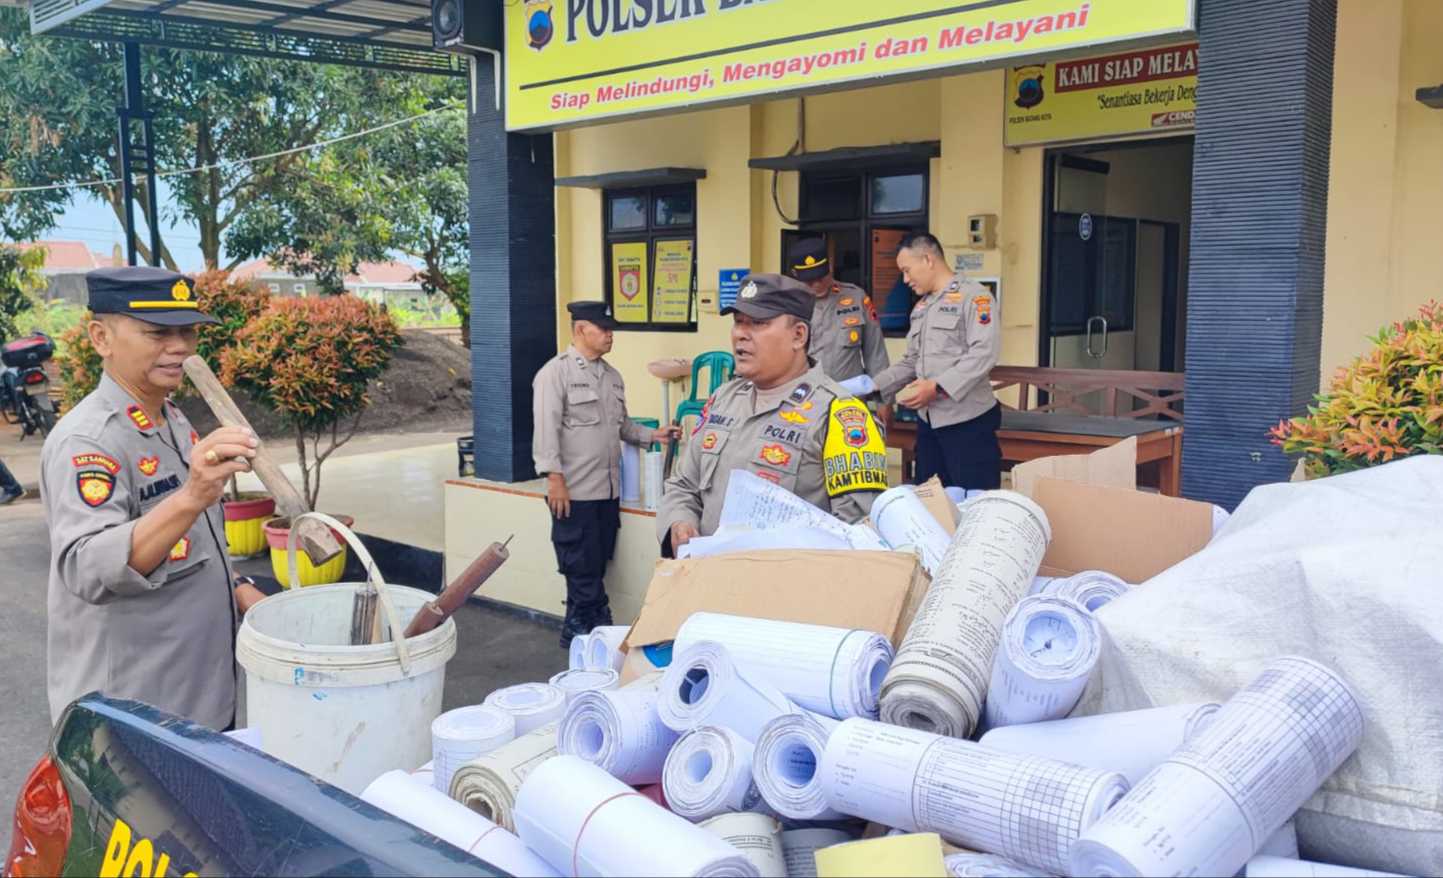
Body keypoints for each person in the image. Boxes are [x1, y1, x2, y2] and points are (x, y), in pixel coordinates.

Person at [42, 265, 258, 730]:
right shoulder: (89, 441)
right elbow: (88, 569)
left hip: (200, 696)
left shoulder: (170, 418)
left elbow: (193, 538)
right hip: (136, 716)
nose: (179, 347)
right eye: (158, 333)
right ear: (101, 338)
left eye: (187, 332)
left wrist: (240, 588)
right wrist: (193, 495)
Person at [657, 273, 888, 557]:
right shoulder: (723, 400)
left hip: (783, 593)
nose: (741, 333)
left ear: (798, 335)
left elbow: (857, 534)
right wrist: (680, 523)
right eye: (738, 322)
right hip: (706, 583)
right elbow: (683, 485)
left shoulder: (840, 414)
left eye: (758, 323)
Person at [533, 301, 678, 646]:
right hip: (574, 491)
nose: (611, 335)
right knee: (579, 564)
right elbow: (546, 430)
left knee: (594, 564)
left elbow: (622, 426)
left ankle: (576, 631)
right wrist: (554, 478)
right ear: (581, 329)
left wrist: (652, 436)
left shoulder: (612, 377)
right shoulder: (555, 374)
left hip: (607, 490)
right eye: (604, 328)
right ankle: (598, 625)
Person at [875, 232, 1002, 490]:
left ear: (928, 259)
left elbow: (984, 353)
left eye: (907, 270)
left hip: (967, 423)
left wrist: (937, 387)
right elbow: (910, 361)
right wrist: (873, 387)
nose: (905, 279)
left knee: (974, 503)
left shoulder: (975, 298)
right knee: (931, 503)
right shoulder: (922, 308)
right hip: (929, 423)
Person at [786, 238, 891, 397]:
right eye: (809, 280)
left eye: (821, 277)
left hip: (849, 400)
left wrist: (885, 398)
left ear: (829, 267)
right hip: (803, 401)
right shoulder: (786, 306)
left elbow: (875, 353)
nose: (817, 284)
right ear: (795, 274)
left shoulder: (856, 297)